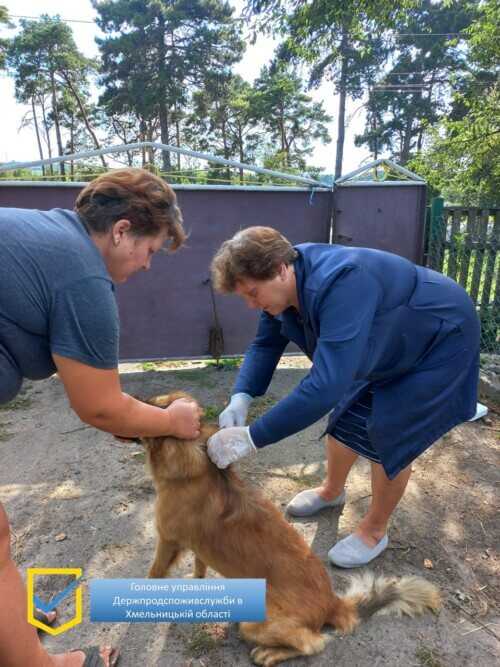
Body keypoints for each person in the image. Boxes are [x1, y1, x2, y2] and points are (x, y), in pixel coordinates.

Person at [0, 168, 202, 667]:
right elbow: (99, 405)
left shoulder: (38, 233)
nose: (148, 265)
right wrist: (172, 422)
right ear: (121, 230)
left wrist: (133, 425)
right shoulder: (82, 273)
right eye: (151, 249)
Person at [206, 226, 480, 568]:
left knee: (391, 433)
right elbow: (265, 343)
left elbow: (324, 386)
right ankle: (331, 491)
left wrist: (252, 437)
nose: (251, 304)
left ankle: (373, 531)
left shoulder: (342, 281)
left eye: (252, 293)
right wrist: (241, 396)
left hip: (439, 337)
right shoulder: (285, 278)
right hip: (391, 335)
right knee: (344, 420)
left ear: (279, 269)